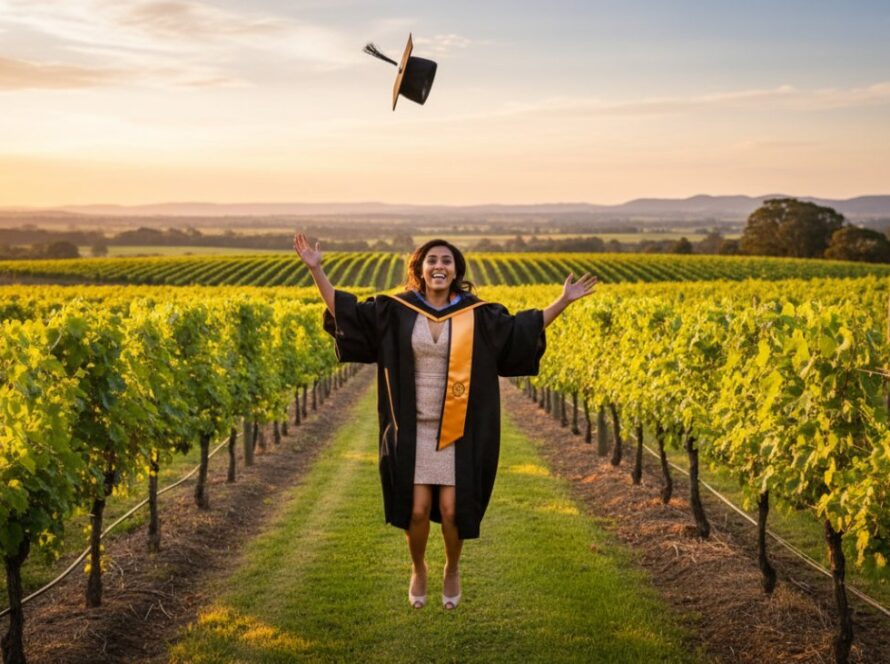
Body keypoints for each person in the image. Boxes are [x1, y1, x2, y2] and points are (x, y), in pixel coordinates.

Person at [293, 234, 596, 610]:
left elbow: (520, 331)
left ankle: (452, 567)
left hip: (459, 429)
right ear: (419, 269)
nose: (439, 266)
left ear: (456, 271)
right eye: (432, 260)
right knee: (416, 509)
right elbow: (346, 312)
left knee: (454, 509)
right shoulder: (396, 309)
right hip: (412, 427)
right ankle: (419, 568)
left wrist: (563, 301)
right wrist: (316, 270)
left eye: (447, 261)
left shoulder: (478, 314)